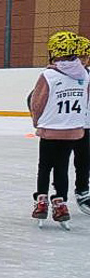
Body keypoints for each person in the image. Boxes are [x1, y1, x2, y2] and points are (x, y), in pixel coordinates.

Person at [29, 31, 88, 229]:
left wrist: (37, 122)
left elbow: (37, 101)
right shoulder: (84, 75)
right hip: (72, 130)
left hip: (51, 129)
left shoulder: (48, 75)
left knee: (44, 166)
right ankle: (60, 201)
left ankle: (42, 200)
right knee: (62, 167)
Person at [71, 35, 90, 214]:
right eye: (79, 57)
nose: (83, 61)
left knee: (84, 160)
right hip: (68, 126)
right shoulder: (61, 75)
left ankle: (83, 190)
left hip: (86, 125)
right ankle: (57, 193)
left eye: (85, 57)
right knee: (57, 162)